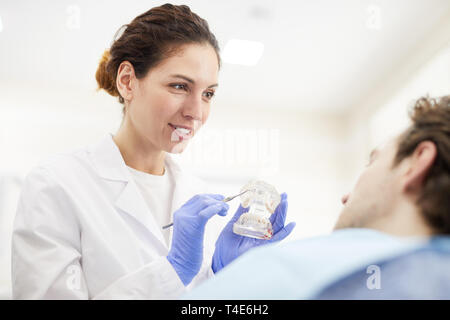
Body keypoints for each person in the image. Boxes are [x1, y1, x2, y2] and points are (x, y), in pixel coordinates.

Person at [11, 4, 295, 300]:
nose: (196, 112)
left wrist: (223, 276)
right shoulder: (57, 184)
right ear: (127, 81)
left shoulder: (200, 197)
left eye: (208, 94)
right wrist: (174, 270)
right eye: (179, 86)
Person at [185, 95, 450, 299]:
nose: (346, 197)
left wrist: (228, 278)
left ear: (417, 163)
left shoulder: (293, 271)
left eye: (372, 163)